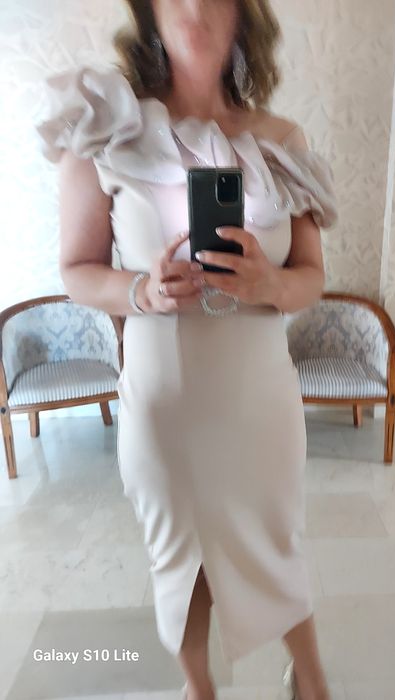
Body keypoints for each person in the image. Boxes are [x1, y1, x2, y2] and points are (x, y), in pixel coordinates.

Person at [35, 1, 338, 698]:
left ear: (243, 17)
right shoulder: (104, 129)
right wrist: (142, 290)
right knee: (179, 557)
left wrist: (267, 282)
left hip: (258, 396)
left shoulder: (282, 140)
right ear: (149, 13)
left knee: (274, 541)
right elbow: (77, 270)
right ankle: (198, 688)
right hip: (162, 398)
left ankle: (311, 680)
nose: (194, 7)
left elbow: (311, 277)